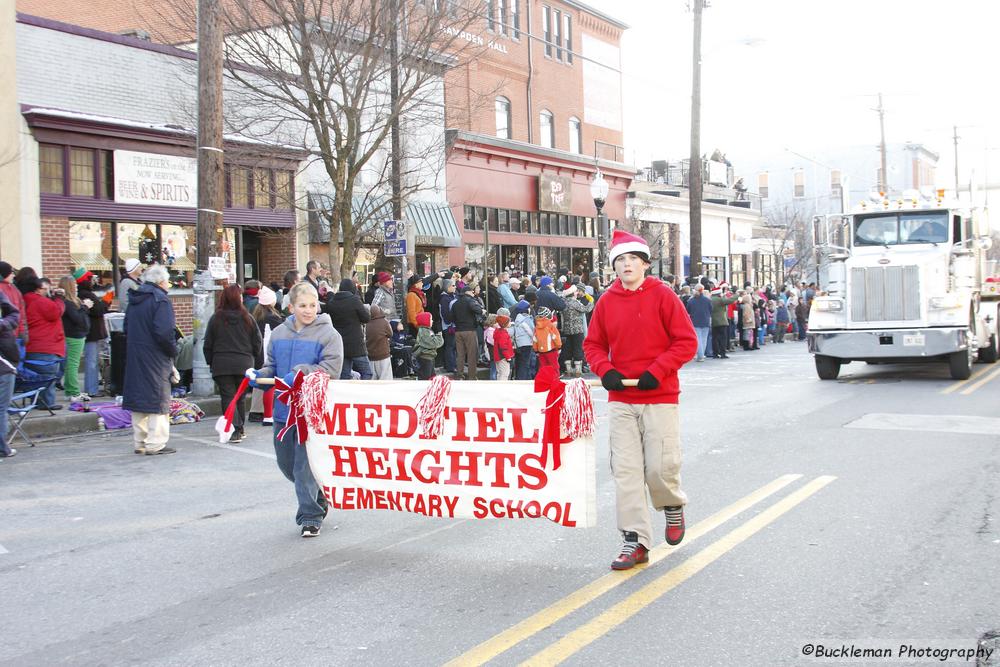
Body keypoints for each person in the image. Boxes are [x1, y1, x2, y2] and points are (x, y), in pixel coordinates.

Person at [583, 229, 698, 570]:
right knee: (627, 471)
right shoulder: (607, 301)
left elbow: (686, 342)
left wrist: (657, 370)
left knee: (660, 467)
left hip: (659, 394)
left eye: (633, 259)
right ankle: (635, 541)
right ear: (614, 266)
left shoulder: (663, 296)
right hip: (621, 397)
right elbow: (593, 345)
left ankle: (671, 504)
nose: (627, 265)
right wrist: (605, 371)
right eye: (621, 260)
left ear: (645, 264)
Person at [252, 281, 343, 538]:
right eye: (303, 305)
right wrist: (258, 375)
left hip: (311, 412)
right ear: (291, 306)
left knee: (304, 468)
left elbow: (332, 368)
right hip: (283, 410)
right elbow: (272, 367)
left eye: (313, 305)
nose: (308, 310)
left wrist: (303, 372)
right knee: (287, 465)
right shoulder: (280, 333)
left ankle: (310, 516)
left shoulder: (329, 335)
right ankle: (318, 496)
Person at [122, 265, 179, 455]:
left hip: (135, 353)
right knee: (158, 398)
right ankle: (156, 443)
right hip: (155, 356)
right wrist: (173, 350)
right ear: (161, 281)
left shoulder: (135, 299)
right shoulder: (160, 300)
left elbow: (126, 327)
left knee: (139, 398)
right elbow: (164, 332)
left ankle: (140, 441)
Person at [203, 284, 263, 444]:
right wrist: (255, 359)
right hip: (244, 363)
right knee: (240, 397)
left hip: (221, 363)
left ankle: (235, 428)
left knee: (228, 396)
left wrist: (210, 361)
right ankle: (239, 428)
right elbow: (257, 342)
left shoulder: (216, 319)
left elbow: (208, 343)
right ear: (239, 298)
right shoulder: (248, 318)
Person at [22, 276, 66, 410]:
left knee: (35, 377)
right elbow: (56, 312)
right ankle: (46, 403)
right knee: (47, 376)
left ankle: (37, 401)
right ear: (38, 289)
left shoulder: (25, 300)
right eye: (45, 289)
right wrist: (59, 298)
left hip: (31, 345)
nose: (47, 292)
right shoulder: (40, 301)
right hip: (46, 346)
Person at [249, 286, 284, 425]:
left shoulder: (255, 316)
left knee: (258, 382)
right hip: (268, 352)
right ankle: (266, 414)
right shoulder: (274, 318)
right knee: (269, 383)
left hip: (257, 352)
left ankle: (256, 411)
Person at [325, 278, 373, 380]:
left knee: (345, 375)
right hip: (356, 343)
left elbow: (326, 307)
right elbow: (366, 318)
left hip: (340, 343)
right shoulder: (354, 300)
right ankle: (363, 393)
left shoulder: (333, 301)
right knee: (367, 372)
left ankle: (346, 395)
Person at [57, 275, 91, 402]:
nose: (77, 287)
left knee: (71, 363)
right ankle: (74, 392)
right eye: (75, 285)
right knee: (73, 364)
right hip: (74, 336)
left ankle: (71, 390)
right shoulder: (68, 303)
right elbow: (77, 319)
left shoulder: (70, 301)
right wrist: (85, 307)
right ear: (70, 287)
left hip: (76, 335)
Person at [76, 269, 109, 397]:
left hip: (90, 331)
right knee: (92, 361)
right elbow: (98, 310)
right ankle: (92, 389)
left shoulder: (83, 293)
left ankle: (92, 388)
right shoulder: (86, 294)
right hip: (92, 332)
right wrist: (106, 301)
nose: (92, 281)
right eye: (90, 279)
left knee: (92, 361)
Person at [0, 289, 20, 460]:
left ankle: (2, 447)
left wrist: (3, 324)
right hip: (5, 363)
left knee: (1, 407)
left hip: (5, 361)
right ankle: (2, 448)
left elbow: (14, 314)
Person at [451, 284, 484, 380]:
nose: (473, 293)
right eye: (472, 291)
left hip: (458, 331)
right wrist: (482, 311)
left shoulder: (455, 303)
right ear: (468, 292)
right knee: (472, 354)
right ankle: (472, 376)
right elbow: (478, 309)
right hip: (469, 330)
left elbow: (451, 317)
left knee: (460, 355)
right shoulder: (470, 300)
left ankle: (459, 375)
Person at [559, 284, 593, 377]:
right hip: (577, 330)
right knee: (578, 349)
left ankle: (568, 370)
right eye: (575, 291)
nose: (577, 293)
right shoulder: (575, 303)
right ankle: (578, 370)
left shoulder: (563, 302)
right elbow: (586, 309)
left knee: (567, 350)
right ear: (572, 293)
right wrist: (591, 301)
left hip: (566, 329)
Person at [0, 262, 26, 342]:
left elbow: (21, 312)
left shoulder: (15, 289)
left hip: (16, 336)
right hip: (4, 335)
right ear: (4, 274)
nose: (13, 275)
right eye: (11, 273)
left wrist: (23, 331)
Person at [685, 284, 712, 362]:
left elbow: (688, 311)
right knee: (704, 339)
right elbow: (711, 310)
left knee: (698, 339)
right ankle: (701, 354)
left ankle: (700, 355)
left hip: (695, 321)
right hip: (706, 320)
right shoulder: (707, 300)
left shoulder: (691, 301)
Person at [366, 304, 393, 380]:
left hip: (371, 355)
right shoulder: (384, 322)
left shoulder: (367, 324)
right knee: (385, 378)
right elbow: (390, 334)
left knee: (373, 380)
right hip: (383, 354)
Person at [413, 312, 443, 380]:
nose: (432, 321)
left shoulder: (427, 330)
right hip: (425, 358)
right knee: (426, 378)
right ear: (425, 321)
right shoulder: (424, 332)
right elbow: (433, 344)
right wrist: (439, 335)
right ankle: (424, 389)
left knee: (431, 376)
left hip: (429, 357)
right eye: (430, 319)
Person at [710, 283, 736, 359]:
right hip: (721, 321)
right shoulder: (720, 299)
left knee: (714, 338)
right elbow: (730, 300)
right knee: (723, 338)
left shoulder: (710, 299)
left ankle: (715, 353)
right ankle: (722, 353)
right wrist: (736, 295)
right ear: (718, 293)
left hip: (713, 321)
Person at [532, 306, 561, 375]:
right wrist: (559, 346)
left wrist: (536, 350)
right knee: (554, 366)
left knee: (543, 367)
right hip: (552, 350)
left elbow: (535, 339)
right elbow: (556, 337)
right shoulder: (550, 326)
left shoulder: (537, 327)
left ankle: (544, 380)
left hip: (541, 351)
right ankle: (555, 380)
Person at [438, 279, 458, 374]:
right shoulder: (444, 298)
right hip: (449, 326)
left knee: (452, 346)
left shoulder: (452, 296)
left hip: (453, 325)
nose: (455, 287)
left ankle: (452, 364)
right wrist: (451, 322)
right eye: (453, 285)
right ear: (448, 287)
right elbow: (445, 314)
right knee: (450, 346)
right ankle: (450, 366)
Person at [512, 300, 535, 380]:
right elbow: (531, 331)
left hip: (519, 344)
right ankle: (523, 379)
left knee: (519, 362)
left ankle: (519, 378)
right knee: (525, 363)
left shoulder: (517, 319)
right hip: (527, 343)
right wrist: (534, 339)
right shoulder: (527, 319)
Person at [493, 310, 514, 381]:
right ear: (504, 324)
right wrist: (508, 357)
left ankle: (499, 387)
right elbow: (503, 347)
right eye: (508, 322)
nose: (510, 323)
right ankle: (503, 387)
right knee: (505, 373)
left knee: (500, 373)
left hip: (498, 356)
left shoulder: (498, 332)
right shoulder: (503, 334)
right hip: (503, 357)